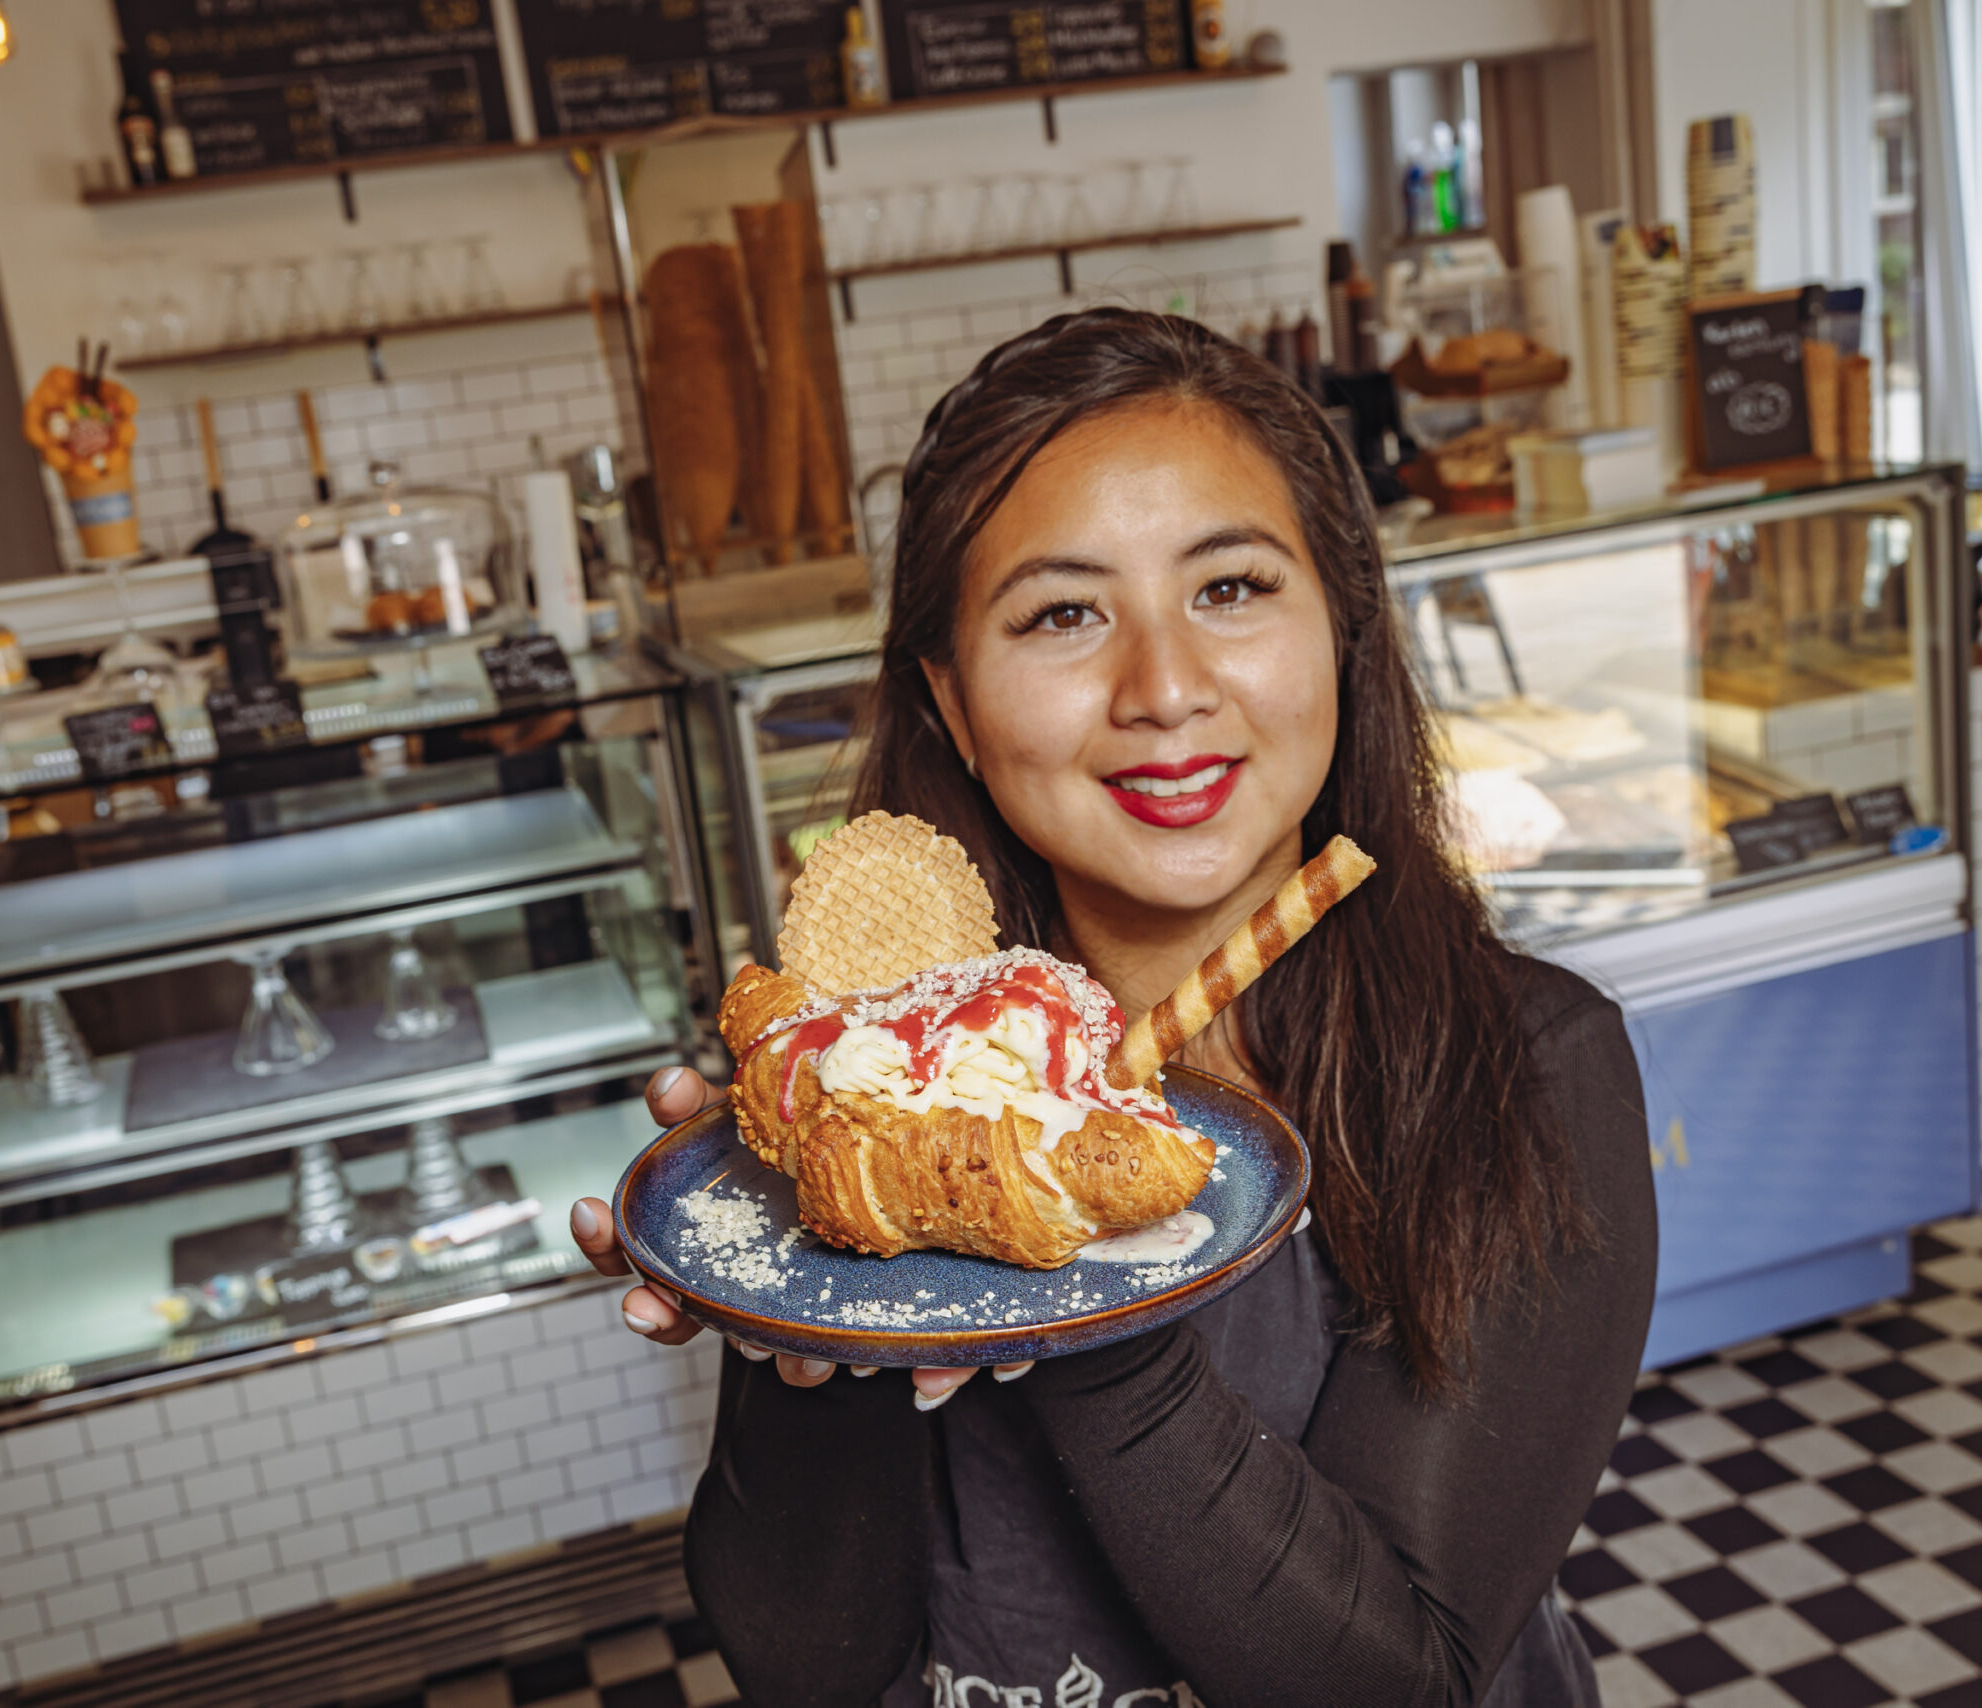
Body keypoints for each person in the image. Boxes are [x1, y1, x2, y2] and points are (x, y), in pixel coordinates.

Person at [569, 308, 1655, 1707]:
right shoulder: (875, 1107)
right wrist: (808, 1326)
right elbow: (806, 1666)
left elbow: (1401, 1682)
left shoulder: (1520, 1072)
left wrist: (1069, 1266)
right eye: (1064, 614)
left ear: (1342, 625)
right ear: (954, 706)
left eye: (1231, 589)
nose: (1164, 689)